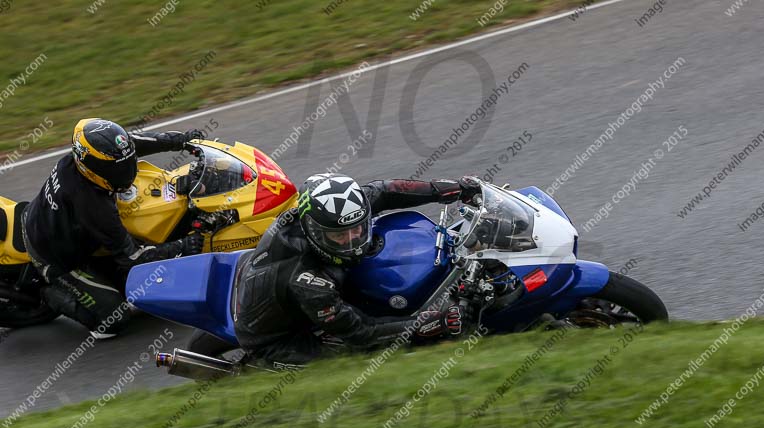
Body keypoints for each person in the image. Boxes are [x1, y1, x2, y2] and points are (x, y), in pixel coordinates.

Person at [226, 173, 483, 366]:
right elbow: (362, 333)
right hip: (278, 339)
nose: (352, 242)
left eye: (357, 230)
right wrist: (422, 324)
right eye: (340, 237)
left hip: (284, 285)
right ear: (313, 231)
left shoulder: (338, 209)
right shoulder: (305, 280)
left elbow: (386, 190)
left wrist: (444, 190)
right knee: (360, 363)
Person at [23, 118, 206, 339]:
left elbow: (138, 142)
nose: (125, 170)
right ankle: (49, 293)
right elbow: (133, 257)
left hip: (52, 220)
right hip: (57, 258)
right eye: (114, 167)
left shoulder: (92, 160)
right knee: (114, 319)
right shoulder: (92, 204)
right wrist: (183, 245)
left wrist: (184, 140)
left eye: (125, 161)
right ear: (90, 165)